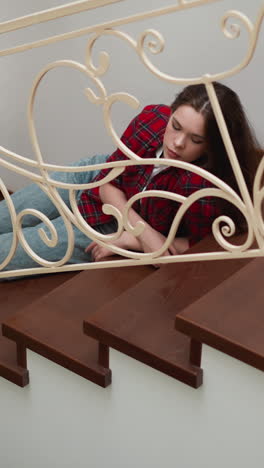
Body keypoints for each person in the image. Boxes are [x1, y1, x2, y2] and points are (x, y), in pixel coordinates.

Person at [0, 82, 261, 275]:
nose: (178, 142)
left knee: (7, 253)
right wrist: (144, 235)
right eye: (176, 125)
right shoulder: (152, 119)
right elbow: (107, 183)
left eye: (196, 139)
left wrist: (131, 238)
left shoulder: (204, 187)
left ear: (211, 145)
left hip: (106, 224)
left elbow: (198, 247)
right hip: (96, 177)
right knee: (7, 213)